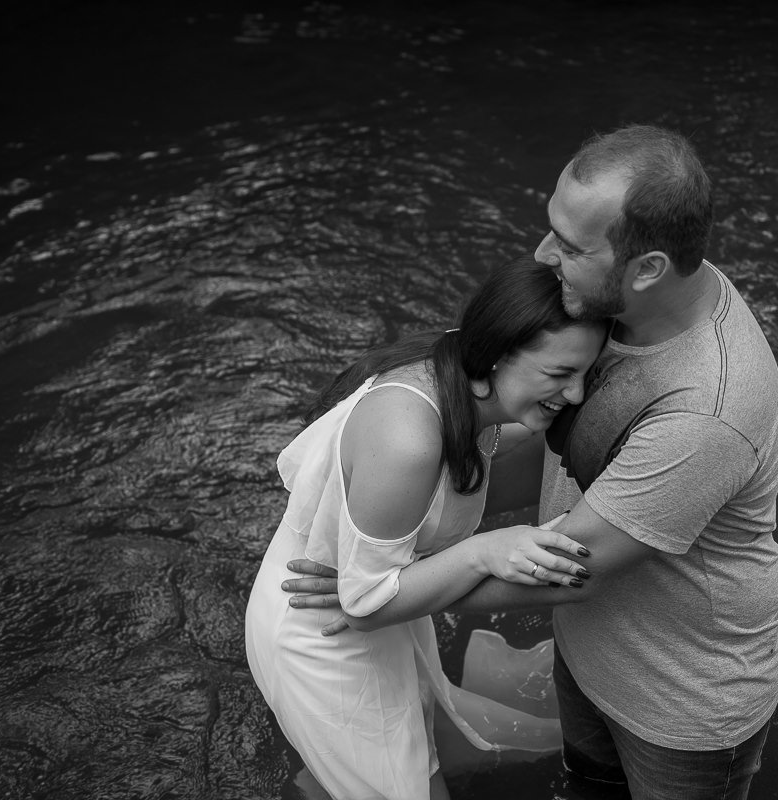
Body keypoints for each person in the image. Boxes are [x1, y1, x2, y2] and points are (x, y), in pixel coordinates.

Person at [286, 124, 778, 800]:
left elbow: (572, 571)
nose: (542, 253)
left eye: (571, 247)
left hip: (682, 698)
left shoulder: (707, 411)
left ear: (647, 269)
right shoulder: (630, 305)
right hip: (590, 654)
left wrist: (386, 595)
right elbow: (565, 450)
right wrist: (383, 522)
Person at [244, 254, 607, 800]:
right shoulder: (407, 437)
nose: (575, 394)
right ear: (494, 357)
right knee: (406, 785)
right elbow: (363, 604)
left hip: (383, 597)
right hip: (323, 628)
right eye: (559, 374)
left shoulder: (462, 367)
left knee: (385, 765)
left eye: (586, 374)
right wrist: (484, 551)